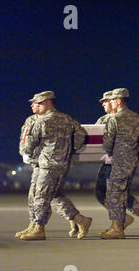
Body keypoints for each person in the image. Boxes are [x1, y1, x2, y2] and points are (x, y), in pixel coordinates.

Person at [20, 91, 92, 241]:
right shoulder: (67, 119)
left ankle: (39, 228)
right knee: (43, 194)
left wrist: (27, 153)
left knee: (41, 196)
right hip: (59, 163)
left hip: (46, 164)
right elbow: (81, 136)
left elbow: (29, 144)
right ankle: (35, 224)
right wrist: (70, 150)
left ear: (47, 103)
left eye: (38, 103)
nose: (33, 105)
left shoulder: (41, 122)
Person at [99, 88, 139, 239]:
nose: (110, 102)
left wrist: (111, 153)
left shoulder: (114, 119)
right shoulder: (138, 118)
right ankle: (119, 226)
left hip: (117, 161)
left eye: (113, 100)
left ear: (119, 100)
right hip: (132, 161)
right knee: (122, 193)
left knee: (115, 194)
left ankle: (117, 228)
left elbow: (107, 143)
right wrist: (138, 154)